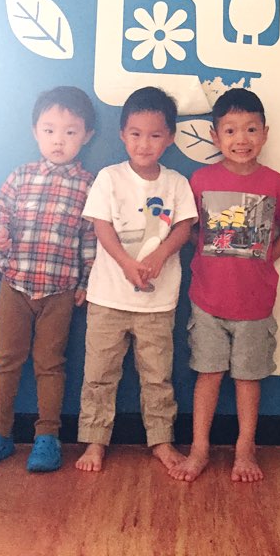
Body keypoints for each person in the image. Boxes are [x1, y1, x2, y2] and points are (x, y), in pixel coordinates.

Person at [0, 86, 97, 473]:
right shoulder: (21, 175)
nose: (59, 140)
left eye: (70, 132)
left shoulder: (89, 185)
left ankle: (47, 436)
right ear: (35, 132)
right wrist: (0, 230)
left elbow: (90, 238)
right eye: (50, 130)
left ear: (87, 136)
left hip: (60, 290)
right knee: (7, 360)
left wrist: (86, 281)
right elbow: (0, 209)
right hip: (15, 282)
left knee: (50, 363)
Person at [170, 88, 280, 483]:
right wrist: (204, 247)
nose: (241, 139)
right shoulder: (201, 180)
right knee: (207, 375)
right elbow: (187, 229)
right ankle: (199, 448)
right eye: (230, 130)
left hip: (255, 303)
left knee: (248, 378)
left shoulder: (275, 182)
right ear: (215, 136)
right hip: (207, 301)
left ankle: (246, 447)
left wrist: (266, 256)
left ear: (265, 133)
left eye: (250, 129)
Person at [75, 86, 197, 474]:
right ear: (122, 134)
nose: (145, 144)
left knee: (158, 377)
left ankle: (160, 440)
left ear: (170, 137)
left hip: (157, 304)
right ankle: (94, 441)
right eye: (136, 134)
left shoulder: (176, 182)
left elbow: (184, 227)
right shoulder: (109, 178)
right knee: (99, 376)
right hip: (108, 299)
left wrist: (160, 255)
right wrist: (127, 264)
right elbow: (101, 227)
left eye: (155, 135)